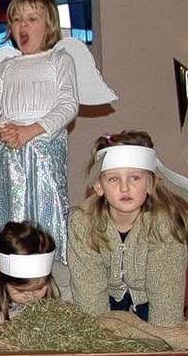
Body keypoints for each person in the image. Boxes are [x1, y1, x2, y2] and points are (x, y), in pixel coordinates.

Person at [0, 0, 80, 267]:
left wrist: (32, 131)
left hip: (43, 151)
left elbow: (68, 105)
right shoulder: (5, 67)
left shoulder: (59, 61)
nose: (22, 26)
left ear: (49, 25)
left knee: (43, 216)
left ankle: (49, 277)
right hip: (8, 153)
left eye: (31, 19)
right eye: (16, 20)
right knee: (6, 216)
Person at [67, 130, 188, 327]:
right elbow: (88, 289)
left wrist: (163, 341)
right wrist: (98, 336)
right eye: (114, 179)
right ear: (99, 187)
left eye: (134, 178)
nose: (124, 188)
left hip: (151, 308)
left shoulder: (164, 225)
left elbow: (166, 292)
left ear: (151, 184)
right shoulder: (83, 223)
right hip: (107, 307)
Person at [0, 221, 71, 332]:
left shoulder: (60, 275)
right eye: (20, 291)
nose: (31, 297)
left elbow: (72, 311)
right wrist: (18, 317)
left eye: (39, 288)